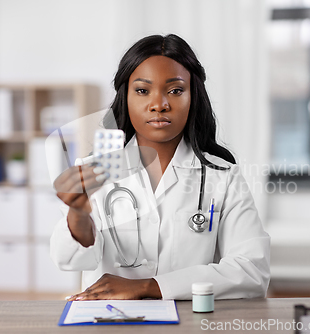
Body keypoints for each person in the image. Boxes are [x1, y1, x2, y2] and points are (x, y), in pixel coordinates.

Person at [51, 34, 270, 301]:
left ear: (193, 97)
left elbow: (251, 271)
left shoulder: (223, 177)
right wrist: (77, 212)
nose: (159, 104)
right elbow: (70, 260)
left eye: (175, 91)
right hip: (111, 322)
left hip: (191, 323)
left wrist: (148, 287)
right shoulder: (91, 171)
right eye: (142, 91)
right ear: (126, 98)